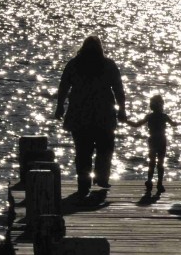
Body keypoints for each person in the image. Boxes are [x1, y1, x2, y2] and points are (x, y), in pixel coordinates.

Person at [53, 36, 127, 198]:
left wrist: (60, 107)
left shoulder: (74, 65)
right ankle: (101, 178)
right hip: (103, 115)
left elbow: (63, 87)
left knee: (83, 151)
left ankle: (84, 183)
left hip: (80, 115)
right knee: (104, 149)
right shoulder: (108, 65)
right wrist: (122, 110)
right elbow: (119, 90)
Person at [128, 94, 177, 194]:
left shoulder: (149, 116)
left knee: (152, 162)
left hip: (153, 139)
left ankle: (150, 181)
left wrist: (126, 121)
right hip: (162, 139)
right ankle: (159, 183)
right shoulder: (164, 116)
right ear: (161, 105)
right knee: (160, 162)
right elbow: (174, 124)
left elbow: (137, 124)